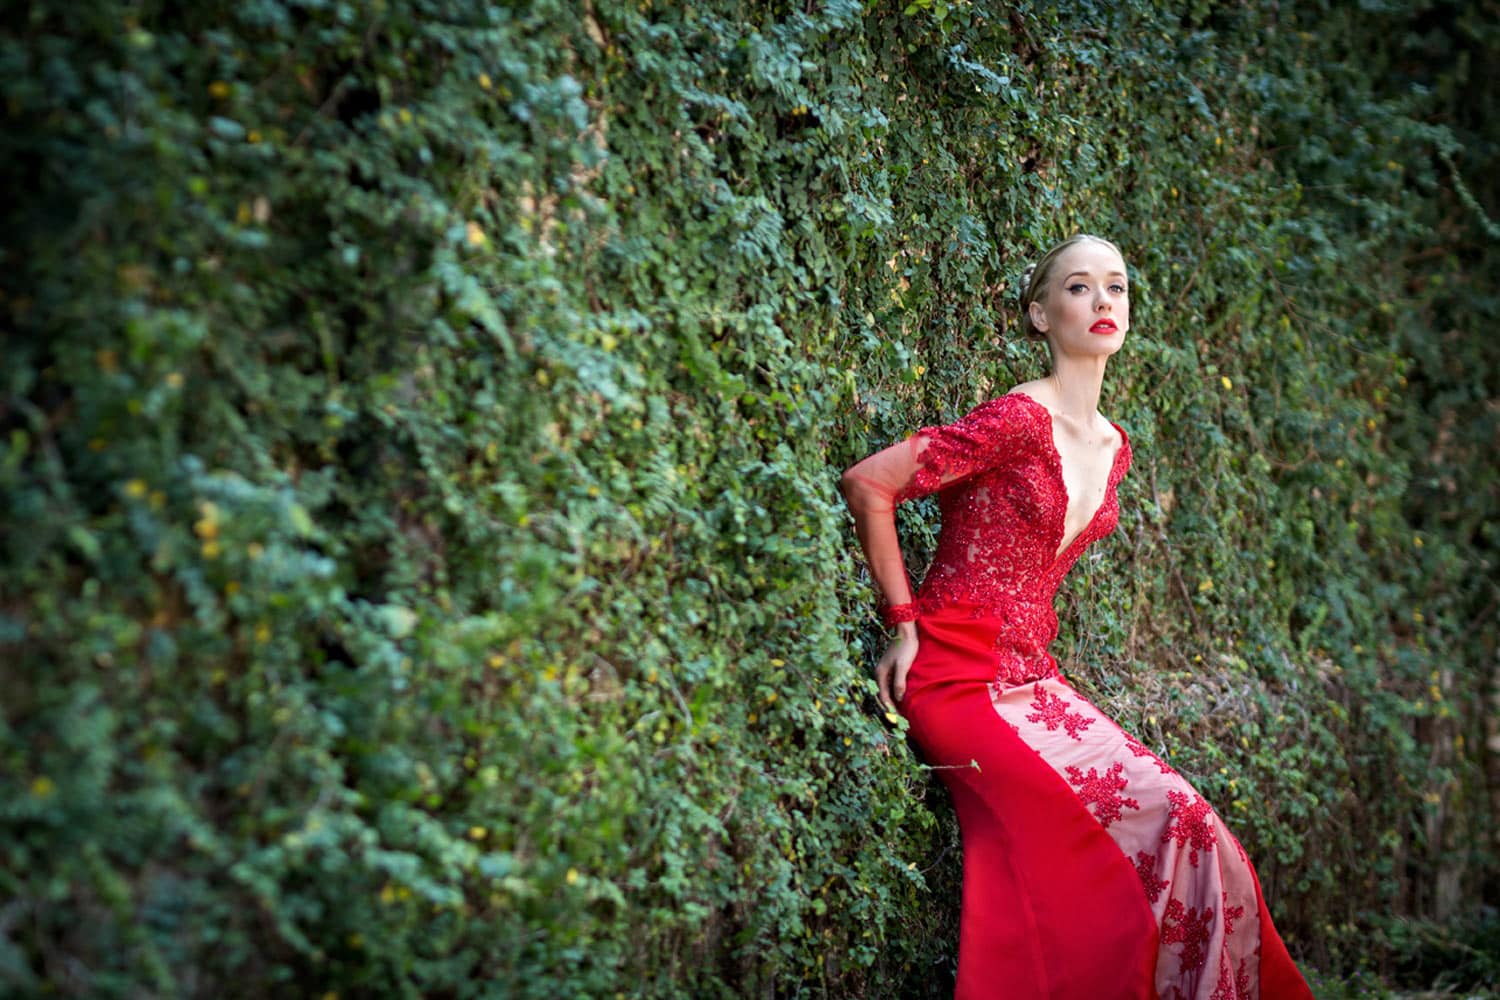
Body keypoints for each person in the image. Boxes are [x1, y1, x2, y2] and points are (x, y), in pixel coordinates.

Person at [839, 235, 1314, 999]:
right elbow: (870, 484)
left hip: (1037, 681)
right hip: (958, 682)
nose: (1102, 303)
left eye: (1117, 288)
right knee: (1091, 867)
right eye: (1079, 288)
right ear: (1039, 313)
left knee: (1191, 825)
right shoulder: (1017, 420)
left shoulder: (1114, 445)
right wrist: (903, 623)